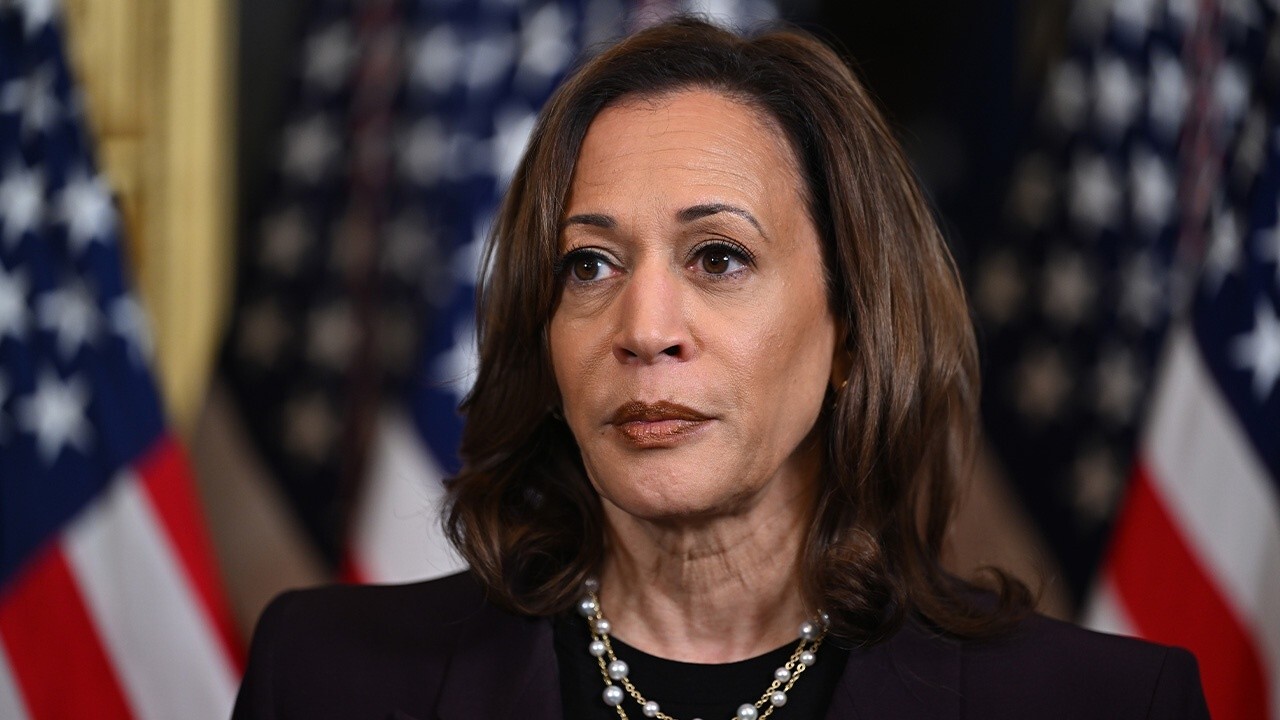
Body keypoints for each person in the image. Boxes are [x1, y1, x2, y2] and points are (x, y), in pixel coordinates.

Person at [232, 17, 1209, 720]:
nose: (644, 328)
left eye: (718, 258)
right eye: (590, 265)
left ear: (854, 330)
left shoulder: (1106, 704)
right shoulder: (324, 679)